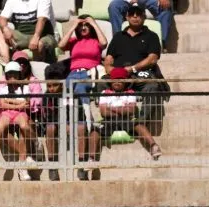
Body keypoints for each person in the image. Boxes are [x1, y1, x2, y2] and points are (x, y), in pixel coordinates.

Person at [104, 3, 165, 139]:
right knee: (101, 83)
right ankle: (108, 123)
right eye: (132, 14)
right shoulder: (118, 36)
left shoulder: (152, 36)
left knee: (152, 86)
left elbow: (152, 59)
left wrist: (132, 68)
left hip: (141, 74)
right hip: (119, 75)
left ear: (144, 17)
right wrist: (114, 72)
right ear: (127, 17)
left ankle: (139, 124)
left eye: (138, 14)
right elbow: (108, 60)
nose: (135, 16)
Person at [0, 59, 39, 180]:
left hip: (20, 113)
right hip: (7, 113)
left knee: (24, 127)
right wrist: (18, 104)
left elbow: (26, 103)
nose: (12, 78)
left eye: (15, 75)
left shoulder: (25, 88)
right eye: (10, 75)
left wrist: (10, 101)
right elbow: (2, 104)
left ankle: (24, 162)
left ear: (19, 75)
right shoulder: (4, 89)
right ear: (6, 76)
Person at [97, 66, 161, 159]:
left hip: (125, 119)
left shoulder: (130, 92)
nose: (117, 82)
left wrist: (111, 108)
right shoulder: (104, 93)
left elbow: (131, 110)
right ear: (110, 81)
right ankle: (91, 157)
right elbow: (104, 112)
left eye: (120, 80)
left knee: (139, 125)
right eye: (114, 80)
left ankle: (153, 146)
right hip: (108, 120)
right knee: (94, 131)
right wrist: (123, 109)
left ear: (125, 82)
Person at [59, 14, 105, 140]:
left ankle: (87, 122)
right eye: (81, 26)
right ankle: (67, 123)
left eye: (86, 26)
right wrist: (74, 25)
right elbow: (61, 46)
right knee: (65, 91)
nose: (83, 28)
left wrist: (94, 23)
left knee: (80, 88)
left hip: (89, 73)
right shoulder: (75, 41)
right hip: (73, 73)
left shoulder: (96, 41)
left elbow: (104, 43)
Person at [0, 0, 56, 64]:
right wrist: (5, 29)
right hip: (22, 35)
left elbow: (42, 20)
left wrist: (36, 37)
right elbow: (2, 18)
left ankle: (37, 65)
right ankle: (5, 61)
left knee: (39, 44)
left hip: (43, 35)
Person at [37, 62, 63, 181]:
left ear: (61, 84)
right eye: (49, 86)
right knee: (50, 128)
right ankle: (52, 165)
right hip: (53, 124)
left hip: (67, 123)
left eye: (55, 85)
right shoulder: (46, 97)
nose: (52, 88)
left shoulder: (68, 94)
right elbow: (46, 117)